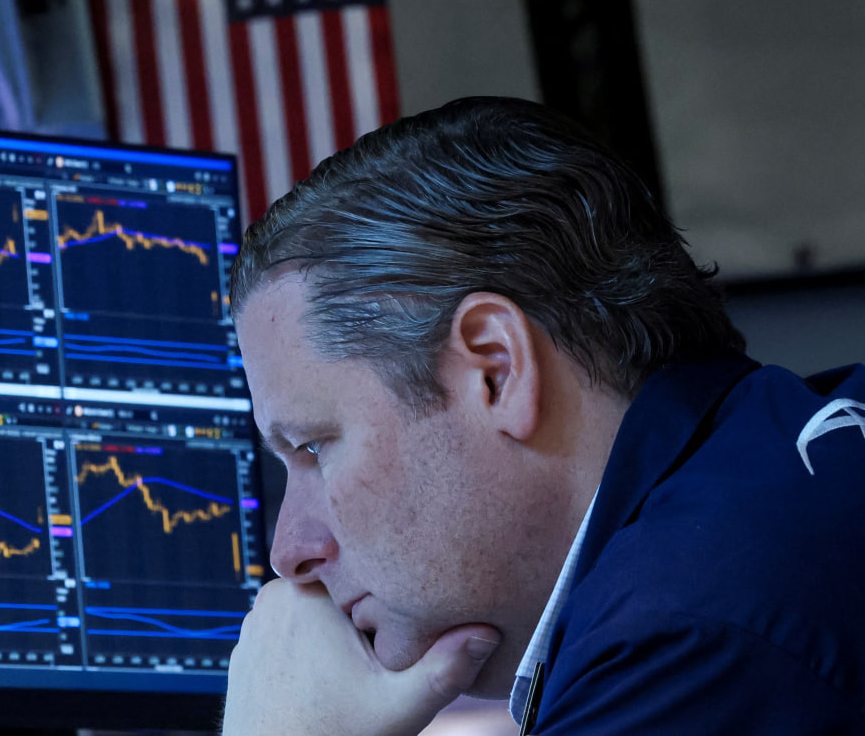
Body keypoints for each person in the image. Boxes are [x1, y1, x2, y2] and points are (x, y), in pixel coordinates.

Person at [220, 96, 865, 734]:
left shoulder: (686, 637)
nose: (288, 552)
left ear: (496, 370)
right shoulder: (773, 476)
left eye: (313, 447)